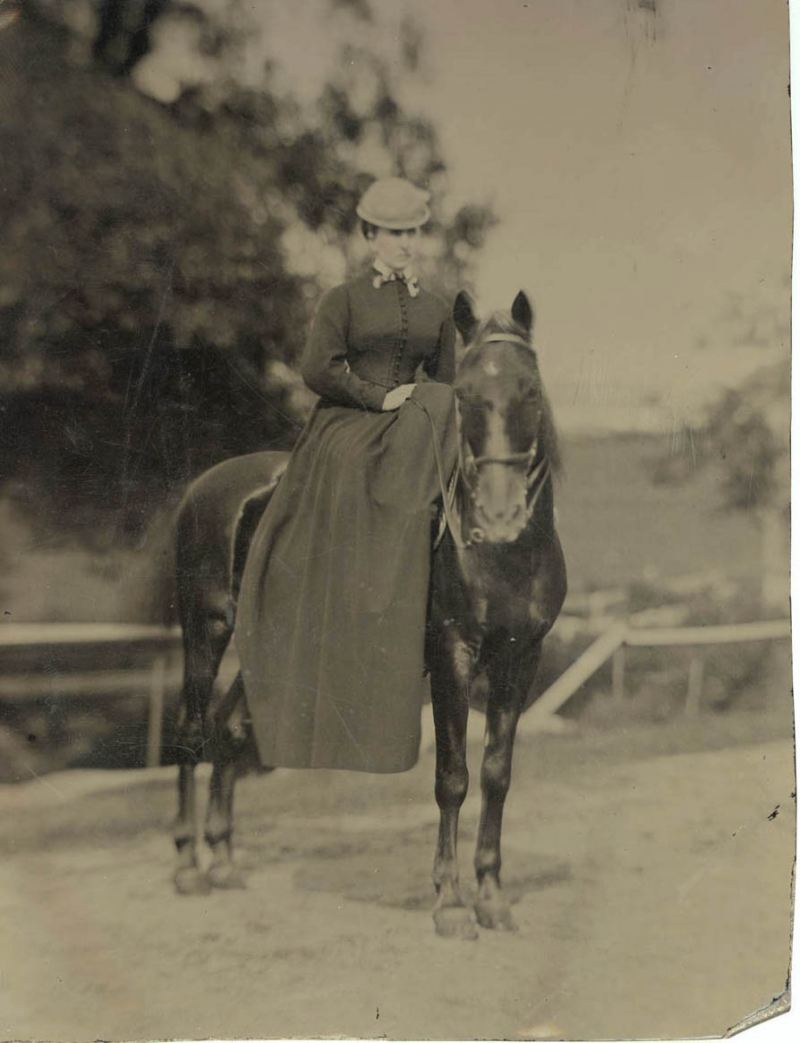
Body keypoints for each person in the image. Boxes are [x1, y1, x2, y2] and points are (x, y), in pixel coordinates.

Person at [235, 177, 458, 774]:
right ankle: (367, 582)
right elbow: (318, 368)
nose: (406, 243)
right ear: (370, 235)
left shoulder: (438, 308)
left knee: (444, 411)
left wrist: (418, 403)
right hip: (349, 423)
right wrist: (379, 399)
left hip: (413, 429)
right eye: (394, 233)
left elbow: (444, 383)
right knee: (367, 458)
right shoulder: (344, 299)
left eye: (413, 232)